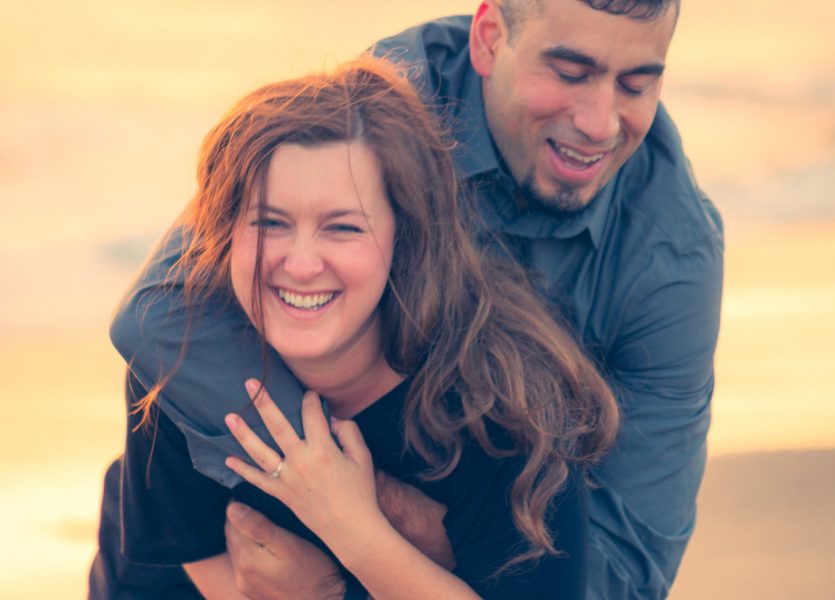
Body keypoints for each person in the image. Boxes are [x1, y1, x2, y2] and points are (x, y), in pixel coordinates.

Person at [90, 1, 724, 598]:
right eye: (568, 72)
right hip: (215, 548)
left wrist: (361, 540)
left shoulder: (669, 264)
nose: (599, 122)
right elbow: (161, 316)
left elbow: (622, 576)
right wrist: (327, 506)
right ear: (490, 37)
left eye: (638, 85)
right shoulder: (383, 108)